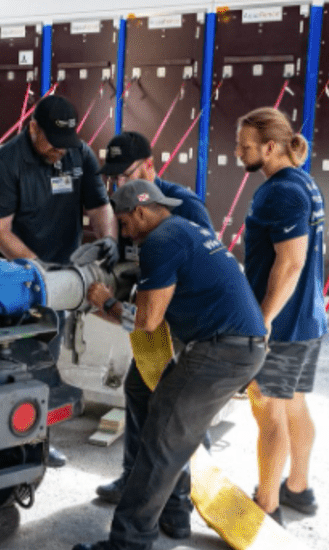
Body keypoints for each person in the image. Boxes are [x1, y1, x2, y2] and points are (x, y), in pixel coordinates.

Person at [75, 179, 267, 550]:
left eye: (125, 223)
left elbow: (147, 321)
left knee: (159, 442)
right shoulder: (186, 229)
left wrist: (105, 302)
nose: (125, 233)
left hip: (220, 352)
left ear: (142, 212)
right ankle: (175, 516)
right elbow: (159, 314)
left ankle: (128, 543)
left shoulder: (160, 242)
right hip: (238, 347)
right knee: (166, 428)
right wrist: (116, 310)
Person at [0, 95, 117, 468]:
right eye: (52, 142)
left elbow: (100, 206)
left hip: (61, 279)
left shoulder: (78, 154)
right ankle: (0, 448)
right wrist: (40, 273)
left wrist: (108, 242)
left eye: (66, 143)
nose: (60, 151)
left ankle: (36, 442)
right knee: (10, 364)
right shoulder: (5, 164)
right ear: (33, 127)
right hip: (13, 283)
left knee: (47, 360)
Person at [92, 132, 214, 540]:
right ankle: (135, 481)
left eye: (123, 176)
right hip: (152, 326)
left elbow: (197, 268)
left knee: (178, 416)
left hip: (180, 330)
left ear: (149, 166)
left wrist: (118, 307)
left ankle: (182, 503)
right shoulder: (129, 206)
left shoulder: (184, 208)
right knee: (137, 391)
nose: (116, 187)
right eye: (111, 180)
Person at [235, 107, 327, 524]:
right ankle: (298, 489)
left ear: (270, 148)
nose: (238, 152)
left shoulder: (281, 191)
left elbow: (290, 263)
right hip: (308, 321)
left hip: (285, 326)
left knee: (268, 409)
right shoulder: (303, 183)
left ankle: (266, 506)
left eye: (246, 146)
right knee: (292, 405)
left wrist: (264, 319)